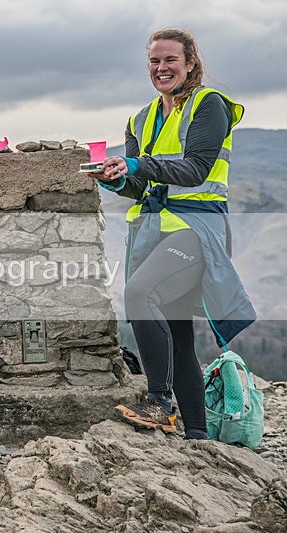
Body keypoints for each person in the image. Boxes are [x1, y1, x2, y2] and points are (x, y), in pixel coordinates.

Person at [93, 29, 255, 439]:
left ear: (190, 64)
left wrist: (136, 165)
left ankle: (160, 402)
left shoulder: (209, 105)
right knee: (178, 333)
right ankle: (198, 435)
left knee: (138, 294)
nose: (161, 68)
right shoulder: (140, 118)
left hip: (196, 228)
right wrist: (113, 178)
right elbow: (137, 184)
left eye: (170, 61)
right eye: (154, 61)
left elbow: (195, 170)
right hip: (153, 231)